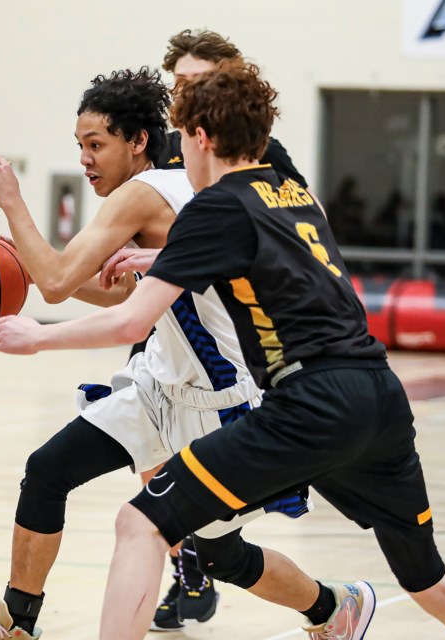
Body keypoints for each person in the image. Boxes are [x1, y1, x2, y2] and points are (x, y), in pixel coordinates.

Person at [0, 63, 445, 640]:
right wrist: (164, 264)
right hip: (380, 394)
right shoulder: (290, 189)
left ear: (202, 138)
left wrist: (37, 335)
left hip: (307, 401)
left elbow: (128, 320)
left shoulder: (214, 206)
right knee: (427, 581)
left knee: (140, 525)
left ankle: (325, 607)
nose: (177, 150)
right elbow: (266, 264)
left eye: (182, 137)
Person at [0, 67, 270, 640]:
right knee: (48, 470)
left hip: (216, 399)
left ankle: (331, 607)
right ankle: (14, 625)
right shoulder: (166, 189)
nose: (85, 159)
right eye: (79, 146)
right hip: (162, 386)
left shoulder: (146, 193)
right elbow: (114, 288)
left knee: (219, 555)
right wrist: (30, 265)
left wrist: (13, 204)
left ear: (138, 141)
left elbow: (61, 282)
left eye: (96, 144)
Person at [128, 27, 316, 631]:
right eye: (176, 82)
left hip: (232, 329)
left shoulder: (263, 153)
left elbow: (284, 241)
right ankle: (189, 564)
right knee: (152, 454)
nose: (182, 92)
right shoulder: (163, 149)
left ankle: (211, 557)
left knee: (208, 486)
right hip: (167, 312)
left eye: (195, 81)